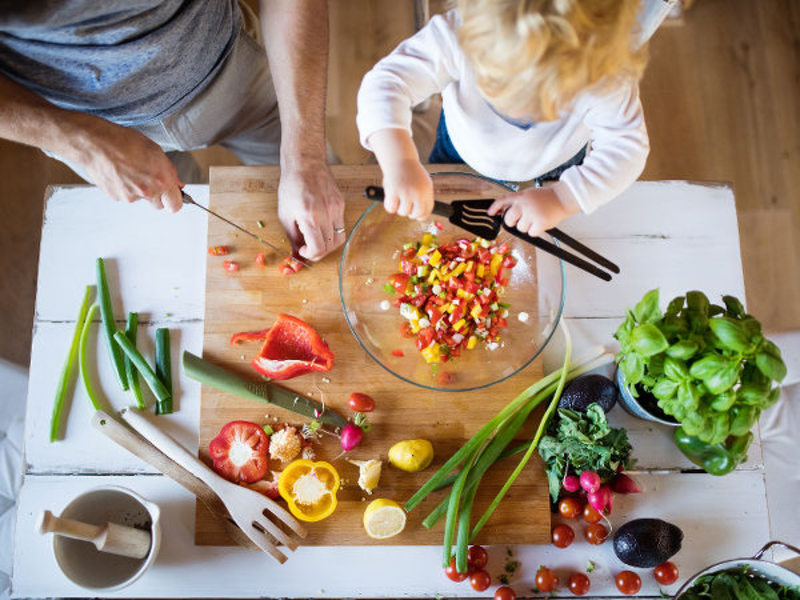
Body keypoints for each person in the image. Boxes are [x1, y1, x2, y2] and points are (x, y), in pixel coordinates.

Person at [0, 0, 345, 261]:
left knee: (325, 209)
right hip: (81, 123)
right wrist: (85, 143)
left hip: (230, 65)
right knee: (186, 244)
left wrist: (306, 159)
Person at [356, 0, 650, 238]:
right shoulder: (461, 34)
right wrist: (400, 162)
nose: (520, 113)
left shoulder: (607, 73)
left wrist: (563, 199)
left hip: (555, 169)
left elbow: (626, 147)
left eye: (547, 101)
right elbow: (387, 83)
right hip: (460, 151)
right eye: (501, 84)